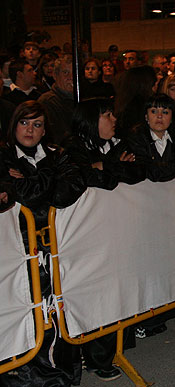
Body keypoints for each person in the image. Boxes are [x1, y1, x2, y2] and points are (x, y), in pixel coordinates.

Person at [0, 100, 86, 386]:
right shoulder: (3, 156)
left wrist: (32, 179)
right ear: (14, 124)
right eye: (24, 122)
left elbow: (68, 191)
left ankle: (61, 374)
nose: (30, 130)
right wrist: (42, 180)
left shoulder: (57, 153)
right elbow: (20, 194)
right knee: (27, 313)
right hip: (18, 252)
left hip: (57, 248)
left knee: (58, 312)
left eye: (37, 124)